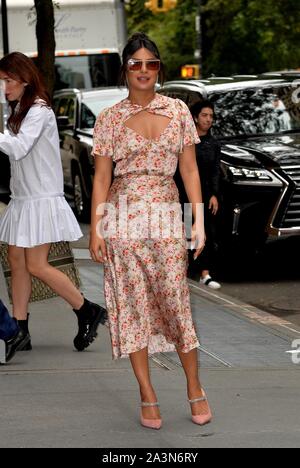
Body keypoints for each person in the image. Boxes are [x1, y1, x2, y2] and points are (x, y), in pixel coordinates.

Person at [90, 33, 212, 430]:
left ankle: (194, 385)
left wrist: (198, 221)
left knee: (176, 303)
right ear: (125, 69)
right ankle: (147, 392)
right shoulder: (109, 118)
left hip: (163, 218)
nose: (144, 71)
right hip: (122, 221)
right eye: (136, 63)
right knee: (132, 309)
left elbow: (190, 170)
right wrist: (96, 229)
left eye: (152, 63)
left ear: (160, 69)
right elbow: (102, 178)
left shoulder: (178, 111)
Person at [0, 52, 107, 359]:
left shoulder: (39, 110)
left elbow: (19, 149)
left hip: (41, 198)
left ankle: (87, 309)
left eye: (8, 80)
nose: (4, 86)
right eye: (1, 80)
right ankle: (20, 329)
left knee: (35, 264)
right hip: (24, 196)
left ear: (24, 79)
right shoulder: (19, 108)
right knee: (16, 261)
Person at [189, 100, 222, 289]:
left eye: (211, 116)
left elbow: (215, 171)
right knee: (186, 230)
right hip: (185, 193)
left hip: (206, 193)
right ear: (195, 117)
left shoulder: (214, 144)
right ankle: (184, 269)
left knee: (206, 231)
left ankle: (205, 274)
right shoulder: (187, 141)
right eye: (204, 115)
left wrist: (214, 194)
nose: (208, 119)